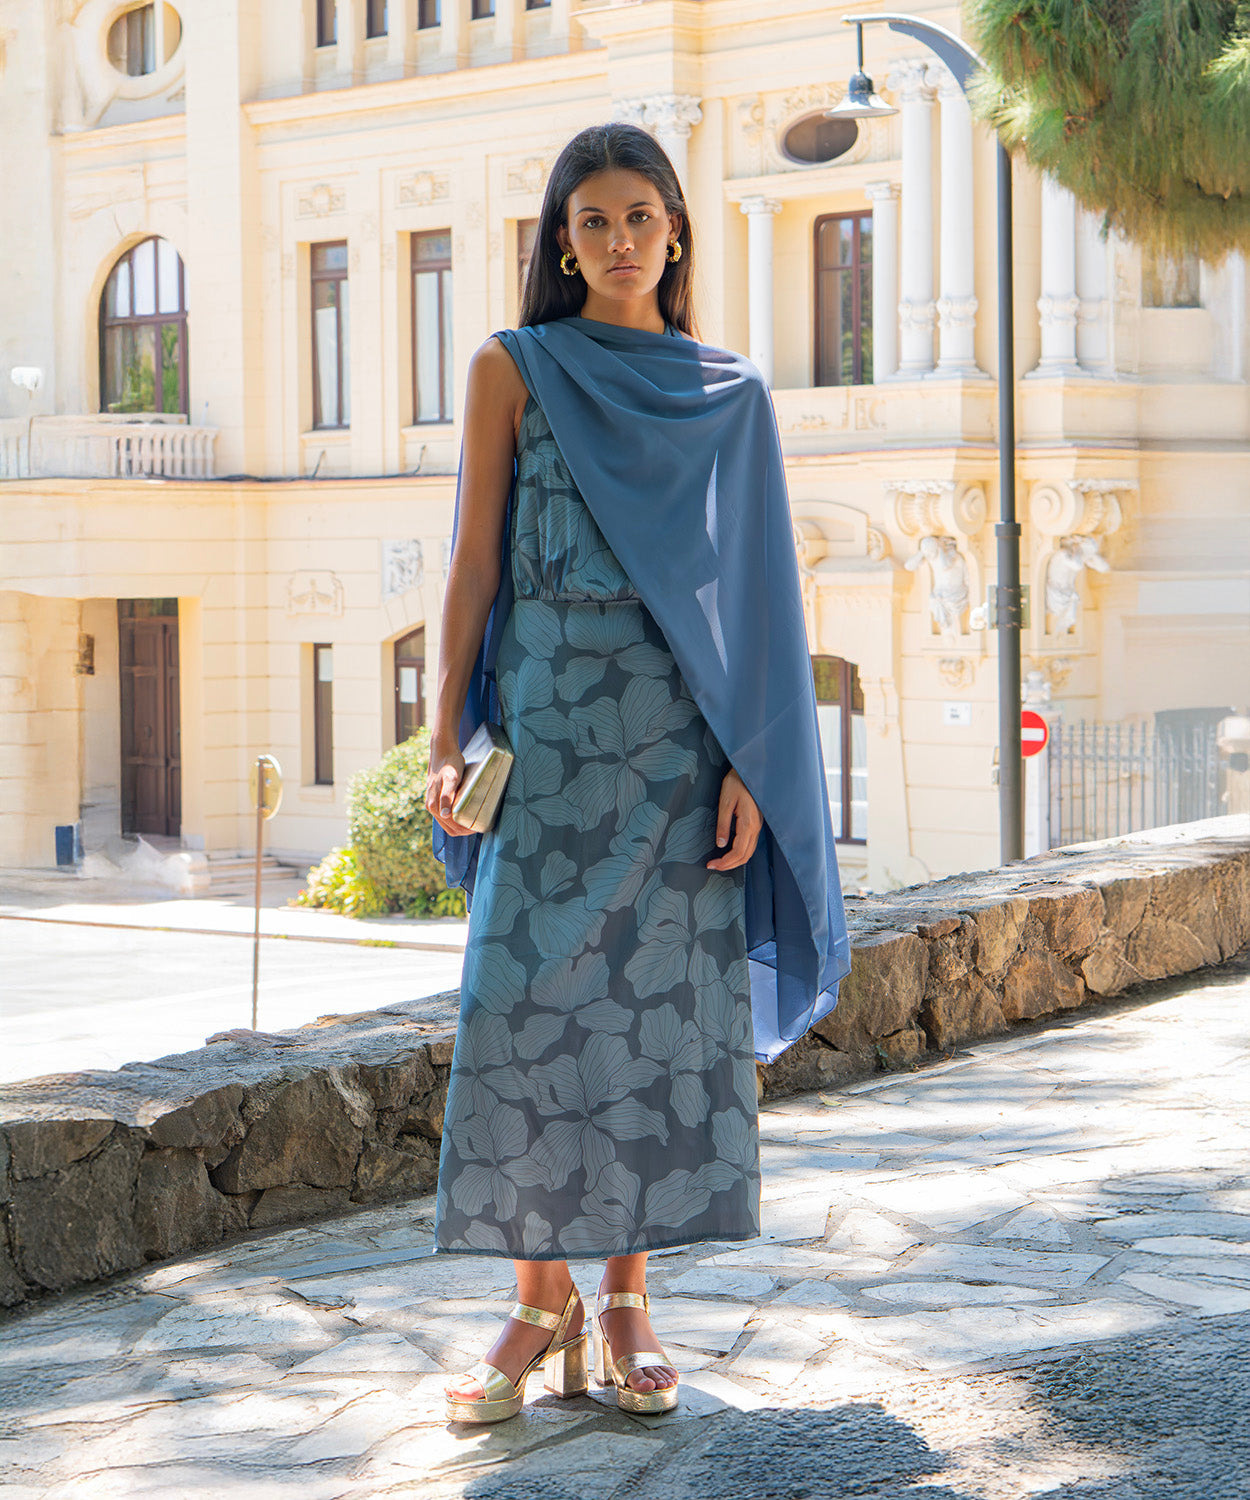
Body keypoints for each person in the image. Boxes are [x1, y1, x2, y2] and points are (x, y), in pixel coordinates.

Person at [426, 122, 850, 1426]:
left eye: (639, 217)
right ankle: (535, 1302)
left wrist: (749, 763)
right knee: (522, 1014)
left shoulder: (730, 394)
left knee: (655, 1016)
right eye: (593, 221)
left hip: (676, 745)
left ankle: (624, 1302)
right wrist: (442, 733)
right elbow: (473, 564)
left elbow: (757, 599)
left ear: (674, 230)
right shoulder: (512, 368)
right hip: (547, 737)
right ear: (563, 242)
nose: (618, 241)